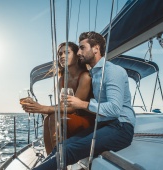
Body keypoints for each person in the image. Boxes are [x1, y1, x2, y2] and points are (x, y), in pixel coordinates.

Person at [32, 31, 136, 170]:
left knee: (67, 151)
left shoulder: (112, 71)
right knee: (61, 147)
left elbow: (114, 109)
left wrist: (81, 104)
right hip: (103, 125)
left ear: (96, 49)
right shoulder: (94, 73)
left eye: (82, 48)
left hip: (121, 127)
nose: (79, 52)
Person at [21, 42, 95, 155]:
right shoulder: (62, 80)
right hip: (71, 119)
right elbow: (62, 106)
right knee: (48, 119)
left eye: (67, 52)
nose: (62, 56)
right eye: (60, 54)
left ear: (77, 56)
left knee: (54, 118)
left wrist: (41, 108)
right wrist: (37, 106)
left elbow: (72, 108)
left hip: (88, 121)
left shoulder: (85, 76)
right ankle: (52, 160)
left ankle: (60, 162)